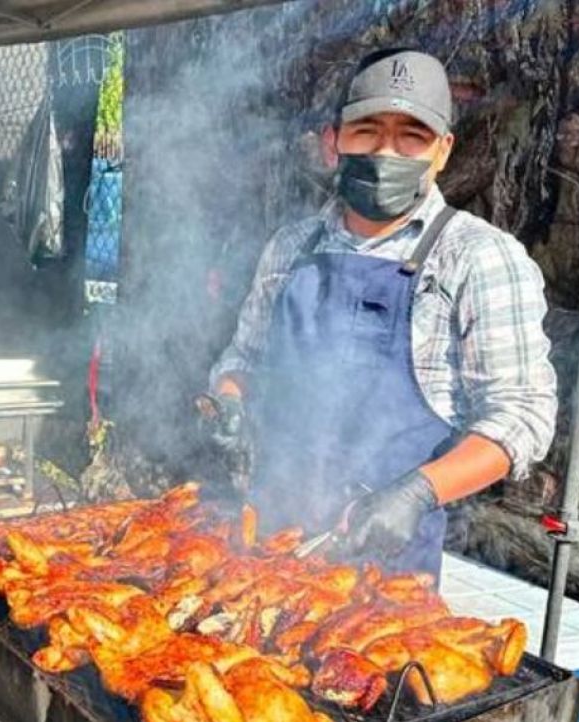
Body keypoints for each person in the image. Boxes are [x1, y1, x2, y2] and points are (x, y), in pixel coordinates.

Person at [206, 48, 557, 582]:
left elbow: (522, 416)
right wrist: (229, 401)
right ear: (333, 143)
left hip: (388, 571)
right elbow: (244, 360)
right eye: (367, 130)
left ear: (442, 152)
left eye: (411, 137)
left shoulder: (477, 256)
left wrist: (418, 493)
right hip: (269, 546)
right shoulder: (289, 248)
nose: (386, 151)